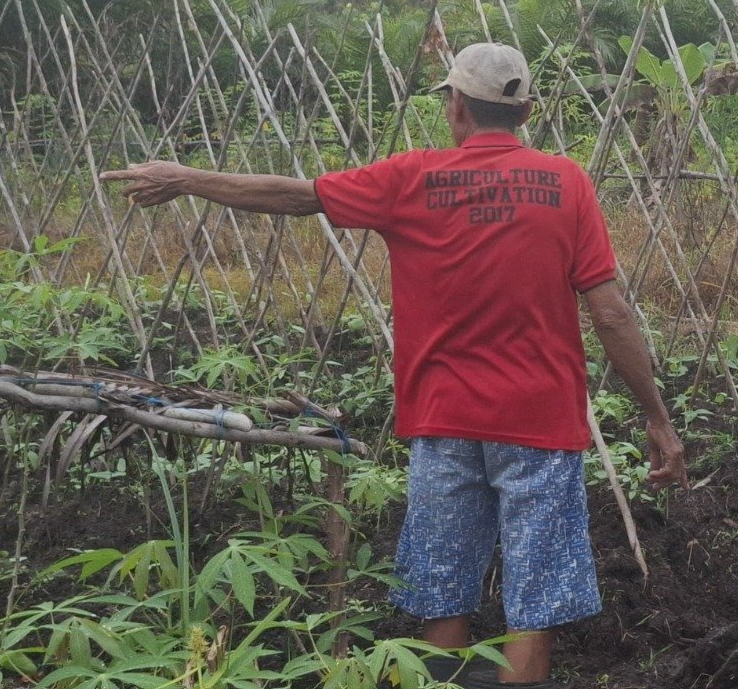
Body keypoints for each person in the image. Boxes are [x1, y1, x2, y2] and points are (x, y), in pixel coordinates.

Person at [103, 41, 687, 687]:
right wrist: (657, 417)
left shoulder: (410, 179)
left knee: (442, 588)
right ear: (525, 114)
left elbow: (295, 196)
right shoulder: (566, 182)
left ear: (455, 106)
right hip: (540, 425)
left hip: (442, 419)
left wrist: (187, 178)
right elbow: (611, 314)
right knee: (535, 599)